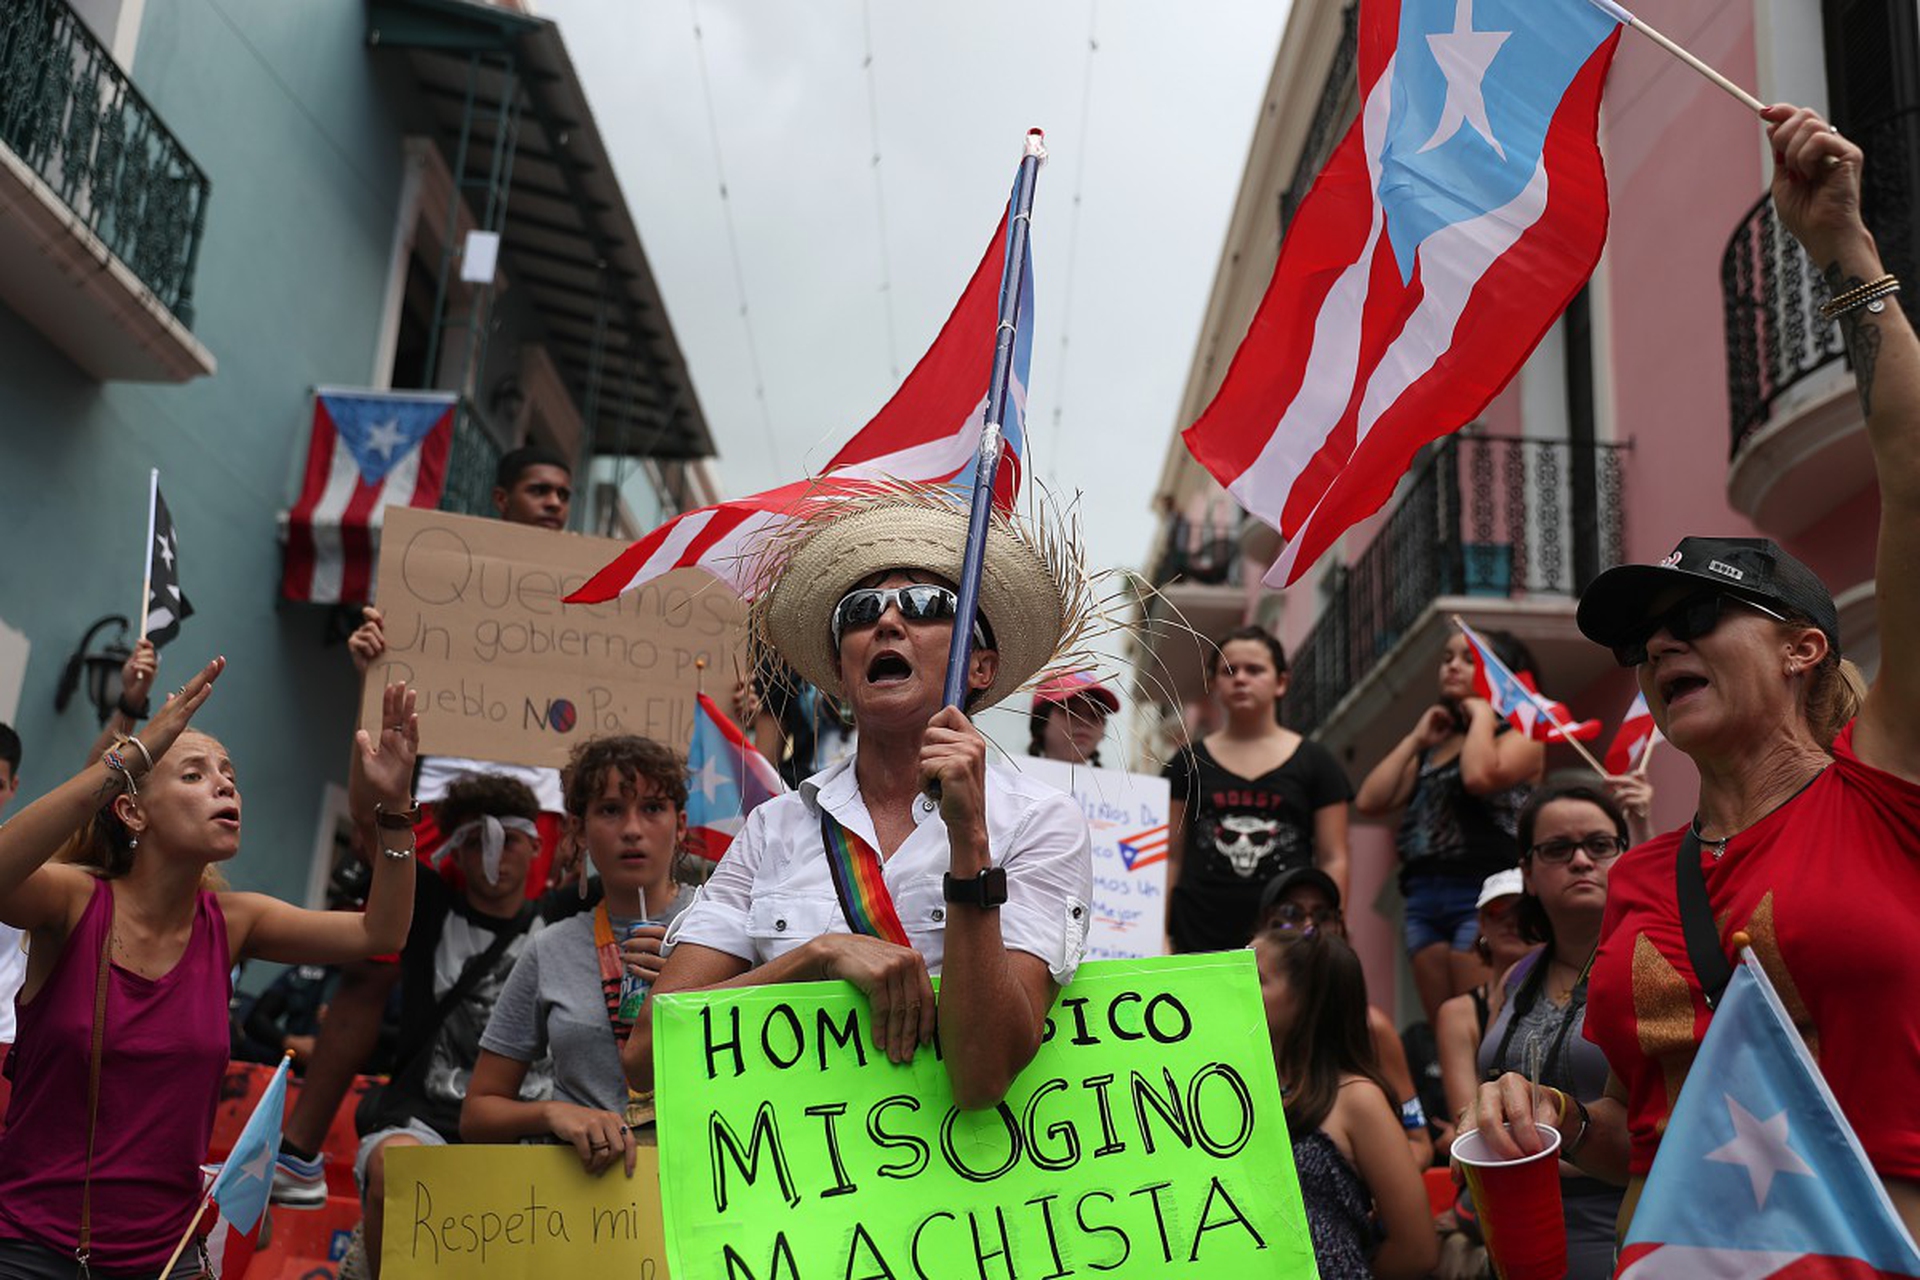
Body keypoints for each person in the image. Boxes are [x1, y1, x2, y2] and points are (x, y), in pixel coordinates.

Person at [1471, 105, 1920, 1241]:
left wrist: (1845, 250)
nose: (1663, 646)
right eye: (1644, 640)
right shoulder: (1638, 877)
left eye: (1700, 616)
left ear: (1804, 647)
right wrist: (1555, 1116)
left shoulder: (1885, 788)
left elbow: (1914, 473)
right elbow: (1648, 1132)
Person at [625, 491, 1095, 1109]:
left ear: (979, 667)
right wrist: (816, 957)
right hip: (792, 1163)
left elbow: (982, 1078)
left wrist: (970, 839)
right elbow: (647, 1056)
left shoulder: (1040, 822)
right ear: (841, 675)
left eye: (927, 605)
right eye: (861, 610)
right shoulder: (773, 828)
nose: (887, 623)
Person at [0, 663, 418, 1278]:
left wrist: (396, 809)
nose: (225, 786)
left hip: (169, 1261)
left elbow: (381, 932)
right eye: (193, 774)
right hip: (32, 1253)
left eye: (229, 776)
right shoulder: (73, 902)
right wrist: (132, 753)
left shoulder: (235, 922)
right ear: (132, 812)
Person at [278, 443, 578, 1202]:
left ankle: (478, 1134)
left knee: (514, 977)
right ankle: (299, 1154)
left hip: (536, 812)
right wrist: (373, 664)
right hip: (440, 804)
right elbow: (396, 688)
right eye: (539, 489)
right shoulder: (444, 581)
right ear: (501, 500)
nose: (554, 503)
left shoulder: (590, 597)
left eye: (563, 493)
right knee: (371, 964)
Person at [347, 770, 593, 1275]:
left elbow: (633, 864)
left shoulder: (563, 917)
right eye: (477, 841)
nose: (494, 855)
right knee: (396, 1166)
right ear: (454, 853)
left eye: (509, 841)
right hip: (427, 1120)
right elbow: (373, 829)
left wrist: (580, 817)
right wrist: (382, 768)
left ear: (536, 847)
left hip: (532, 1131)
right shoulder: (426, 910)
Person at [464, 736, 698, 1173]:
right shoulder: (549, 949)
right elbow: (477, 1115)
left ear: (680, 825)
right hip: (589, 1198)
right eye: (610, 810)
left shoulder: (724, 929)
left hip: (707, 1182)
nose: (632, 829)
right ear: (578, 830)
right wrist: (554, 1113)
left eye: (652, 808)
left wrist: (692, 985)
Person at [1473, 785, 1629, 1279]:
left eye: (1600, 845)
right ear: (1528, 874)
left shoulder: (1653, 966)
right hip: (1512, 1235)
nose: (1581, 861)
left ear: (1625, 857)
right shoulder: (1515, 978)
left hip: (1618, 1236)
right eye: (1559, 849)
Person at [1355, 628, 1545, 1028]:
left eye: (1469, 659)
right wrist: (1415, 739)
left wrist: (1481, 713)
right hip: (1423, 895)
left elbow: (1478, 777)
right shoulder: (1435, 744)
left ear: (1501, 674)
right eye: (1447, 658)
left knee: (1481, 1017)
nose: (1452, 666)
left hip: (1483, 889)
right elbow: (1370, 800)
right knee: (1445, 1021)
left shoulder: (1521, 733)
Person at [1256, 930, 1439, 1280]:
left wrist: (1341, 1267)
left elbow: (1417, 1249)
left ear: (1307, 998)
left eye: (1255, 977)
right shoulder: (1229, 1089)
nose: (1233, 984)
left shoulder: (1358, 1098)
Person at [1164, 626, 1352, 953]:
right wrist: (1160, 932)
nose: (1240, 679)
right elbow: (1169, 856)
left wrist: (1328, 933)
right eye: (1229, 670)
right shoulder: (1185, 763)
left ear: (1281, 682)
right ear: (1213, 683)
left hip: (1289, 943)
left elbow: (1333, 857)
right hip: (1196, 939)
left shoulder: (1317, 762)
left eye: (1254, 670)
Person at [1256, 866, 1434, 1170]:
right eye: (1291, 912)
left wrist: (1365, 1179)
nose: (1308, 925)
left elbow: (1418, 1143)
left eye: (1322, 915)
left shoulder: (1372, 1029)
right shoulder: (1235, 1031)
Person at [1433, 868, 1530, 1154]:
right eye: (1498, 910)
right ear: (1482, 924)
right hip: (1494, 1156)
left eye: (1523, 911)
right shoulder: (1458, 1013)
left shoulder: (1573, 997)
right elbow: (1467, 1118)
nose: (1511, 921)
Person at [1027, 670, 1119, 766]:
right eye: (1071, 712)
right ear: (1040, 721)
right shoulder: (1018, 774)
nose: (1085, 722)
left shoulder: (1123, 776)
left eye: (1095, 715)